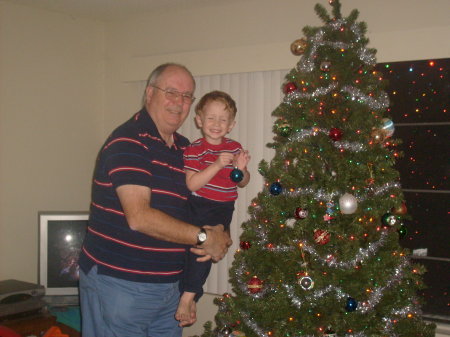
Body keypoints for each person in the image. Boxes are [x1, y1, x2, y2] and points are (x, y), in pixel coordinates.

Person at [78, 64, 232, 337]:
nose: (179, 102)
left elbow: (206, 202)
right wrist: (205, 239)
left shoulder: (186, 148)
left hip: (170, 287)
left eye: (187, 96)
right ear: (149, 93)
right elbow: (140, 217)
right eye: (171, 92)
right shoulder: (129, 141)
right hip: (121, 285)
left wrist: (220, 232)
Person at [175, 90, 251, 324]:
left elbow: (243, 182)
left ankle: (188, 297)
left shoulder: (235, 147)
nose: (216, 124)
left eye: (223, 119)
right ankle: (188, 295)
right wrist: (218, 164)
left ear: (231, 125)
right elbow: (191, 183)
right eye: (211, 118)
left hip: (224, 208)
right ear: (199, 120)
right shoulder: (194, 149)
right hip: (199, 205)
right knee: (193, 252)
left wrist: (242, 169)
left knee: (206, 253)